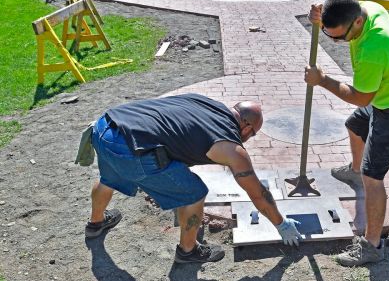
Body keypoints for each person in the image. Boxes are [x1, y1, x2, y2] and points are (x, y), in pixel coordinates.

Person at [84, 93, 302, 263]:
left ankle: (96, 223)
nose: (249, 139)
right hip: (132, 150)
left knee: (108, 178)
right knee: (194, 194)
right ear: (246, 127)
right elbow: (258, 193)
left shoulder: (207, 103)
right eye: (252, 135)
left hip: (106, 127)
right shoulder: (232, 148)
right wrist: (281, 224)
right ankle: (188, 251)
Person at [305, 0, 389, 266]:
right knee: (355, 125)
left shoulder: (374, 48)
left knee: (374, 179)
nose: (334, 40)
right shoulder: (366, 7)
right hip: (387, 93)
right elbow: (340, 6)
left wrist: (322, 80)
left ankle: (372, 246)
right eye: (328, 35)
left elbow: (360, 97)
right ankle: (355, 170)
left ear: (357, 23)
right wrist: (320, 16)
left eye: (338, 37)